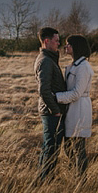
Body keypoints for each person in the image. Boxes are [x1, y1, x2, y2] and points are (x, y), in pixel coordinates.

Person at [55, 34, 93, 175]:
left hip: (80, 110)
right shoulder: (74, 65)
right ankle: (74, 173)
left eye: (68, 44)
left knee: (78, 148)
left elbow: (77, 93)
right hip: (71, 109)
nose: (65, 47)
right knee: (69, 148)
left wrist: (56, 97)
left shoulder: (83, 67)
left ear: (76, 47)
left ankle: (81, 180)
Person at [34, 26, 67, 181]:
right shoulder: (46, 61)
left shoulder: (49, 59)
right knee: (51, 148)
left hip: (51, 111)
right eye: (56, 41)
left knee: (49, 147)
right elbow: (44, 90)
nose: (58, 44)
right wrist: (55, 111)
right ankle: (44, 181)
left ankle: (44, 179)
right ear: (46, 41)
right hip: (51, 112)